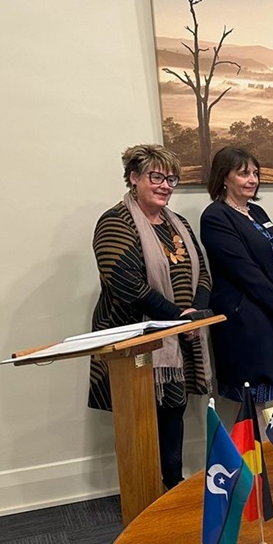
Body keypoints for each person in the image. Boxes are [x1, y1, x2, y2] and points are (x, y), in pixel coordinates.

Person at [88, 144, 211, 491]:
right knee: (141, 423)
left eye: (171, 178)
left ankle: (171, 486)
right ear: (133, 178)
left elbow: (202, 273)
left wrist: (195, 314)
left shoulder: (178, 223)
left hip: (176, 339)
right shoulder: (115, 222)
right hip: (133, 344)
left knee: (173, 412)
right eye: (156, 176)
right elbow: (126, 282)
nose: (165, 185)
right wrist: (178, 316)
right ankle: (143, 494)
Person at [200, 146, 273, 405]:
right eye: (243, 173)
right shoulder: (215, 217)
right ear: (224, 178)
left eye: (255, 173)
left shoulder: (256, 213)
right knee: (256, 406)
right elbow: (247, 273)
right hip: (247, 322)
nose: (252, 180)